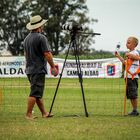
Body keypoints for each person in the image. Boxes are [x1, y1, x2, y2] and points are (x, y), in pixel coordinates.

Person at [23, 15, 58, 120]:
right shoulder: (41, 37)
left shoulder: (26, 39)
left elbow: (25, 54)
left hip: (29, 69)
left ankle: (44, 113)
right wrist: (53, 67)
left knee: (37, 92)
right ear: (40, 26)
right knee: (34, 93)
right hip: (38, 69)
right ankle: (29, 114)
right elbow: (47, 54)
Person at [115, 36, 139, 116]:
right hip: (127, 77)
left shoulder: (135, 52)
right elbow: (125, 63)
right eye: (126, 42)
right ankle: (134, 110)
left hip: (132, 77)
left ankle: (135, 110)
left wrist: (129, 54)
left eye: (129, 42)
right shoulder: (129, 53)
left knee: (133, 94)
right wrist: (118, 56)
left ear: (134, 45)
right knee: (130, 95)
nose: (127, 44)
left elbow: (137, 58)